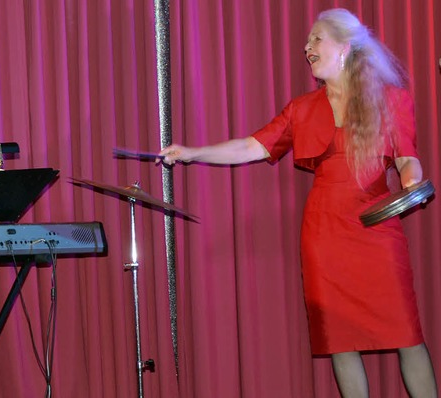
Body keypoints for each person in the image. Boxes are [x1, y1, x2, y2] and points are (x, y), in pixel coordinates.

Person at [159, 8, 437, 398]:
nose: (307, 47)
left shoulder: (391, 100)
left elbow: (407, 156)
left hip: (377, 229)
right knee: (340, 342)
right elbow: (251, 146)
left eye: (316, 38)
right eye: (307, 41)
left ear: (345, 47)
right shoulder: (302, 109)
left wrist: (411, 182)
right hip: (324, 235)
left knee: (408, 334)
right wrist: (193, 152)